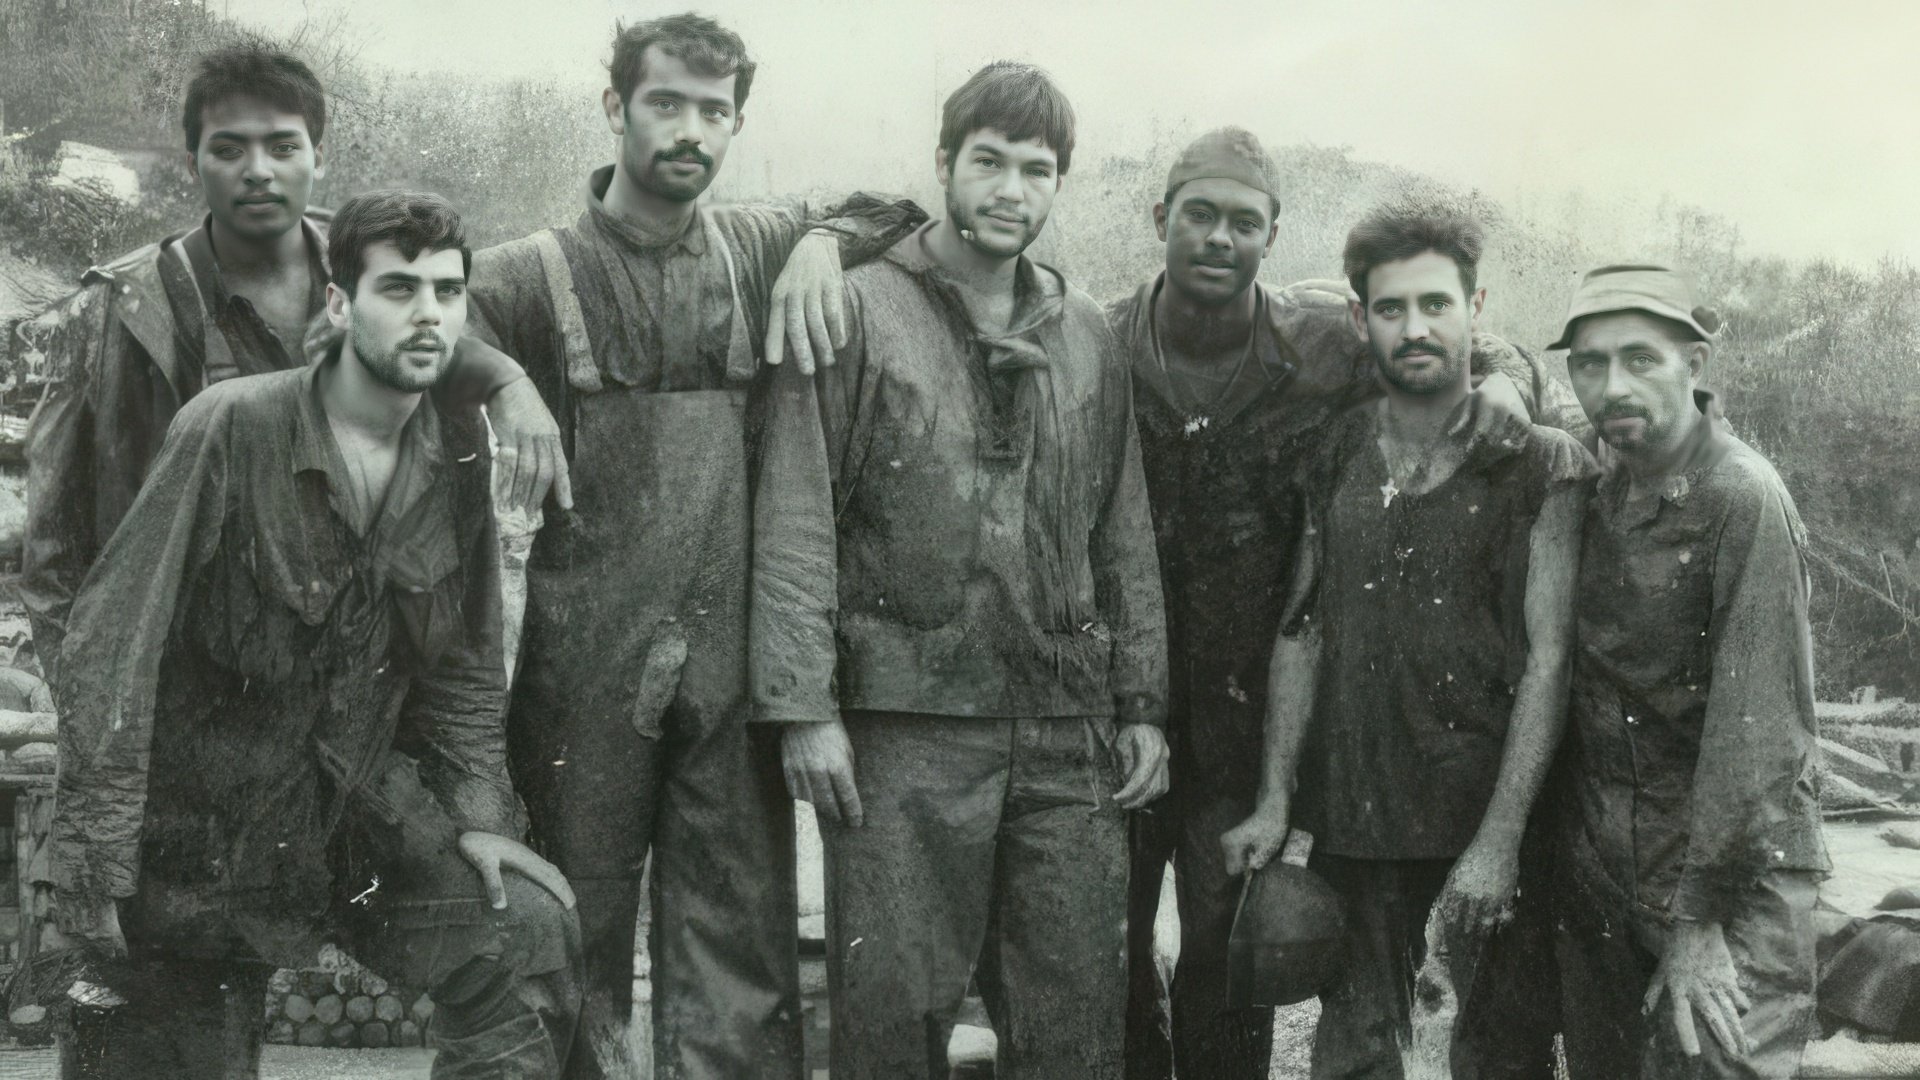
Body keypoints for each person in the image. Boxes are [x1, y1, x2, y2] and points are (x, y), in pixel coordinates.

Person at [463, 14, 924, 1078]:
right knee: (572, 918)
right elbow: (407, 322)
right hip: (586, 656)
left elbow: (894, 207)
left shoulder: (758, 241)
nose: (691, 132)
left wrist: (818, 243)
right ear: (616, 108)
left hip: (724, 648)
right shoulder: (534, 271)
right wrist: (504, 379)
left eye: (715, 112)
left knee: (738, 933)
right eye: (666, 103)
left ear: (737, 126)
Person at [46, 190, 583, 1079]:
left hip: (354, 816)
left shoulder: (454, 447)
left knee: (523, 930)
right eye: (398, 289)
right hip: (199, 834)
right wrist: (93, 858)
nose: (429, 315)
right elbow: (113, 641)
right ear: (338, 304)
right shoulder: (232, 425)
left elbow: (460, 674)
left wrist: (485, 820)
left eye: (448, 293)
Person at [1108, 129, 1587, 1079]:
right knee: (1123, 965)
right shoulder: (1100, 338)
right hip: (1161, 723)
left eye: (1244, 221)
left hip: (1354, 755)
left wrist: (1511, 378)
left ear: (1273, 234)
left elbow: (1547, 655)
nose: (1218, 238)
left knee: (1257, 967)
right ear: (1159, 219)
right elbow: (1306, 618)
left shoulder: (1348, 352)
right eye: (1198, 214)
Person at [751, 60, 1169, 1080]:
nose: (1011, 191)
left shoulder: (1087, 335)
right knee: (892, 1021)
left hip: (1066, 731)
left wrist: (1144, 701)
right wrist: (803, 706)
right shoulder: (854, 309)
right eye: (989, 161)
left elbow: (1123, 528)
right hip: (906, 731)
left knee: (1073, 1030)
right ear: (944, 164)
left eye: (1037, 169)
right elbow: (796, 511)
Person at [20, 43, 564, 683]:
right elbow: (54, 550)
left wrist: (507, 379)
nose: (258, 171)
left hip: (354, 694)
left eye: (282, 147)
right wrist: (88, 702)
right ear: (194, 160)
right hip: (185, 691)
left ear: (318, 157)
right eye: (228, 150)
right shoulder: (122, 311)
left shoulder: (374, 265)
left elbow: (431, 326)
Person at [1219, 202, 1596, 1079]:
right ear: (1359, 319)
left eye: (1437, 304)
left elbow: (1550, 660)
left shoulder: (1542, 464)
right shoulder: (1338, 448)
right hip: (1362, 810)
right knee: (1352, 1053)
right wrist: (1277, 800)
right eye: (1390, 308)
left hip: (1493, 810)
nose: (1415, 327)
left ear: (1476, 307)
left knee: (1500, 1054)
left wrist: (1500, 841)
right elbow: (1301, 629)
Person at [1549, 264, 1829, 1078]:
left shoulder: (1742, 496)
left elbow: (1761, 734)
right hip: (1613, 865)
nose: (1613, 384)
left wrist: (1698, 920)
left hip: (1734, 884)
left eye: (1642, 359)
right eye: (1590, 363)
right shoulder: (1598, 484)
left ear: (1694, 365)